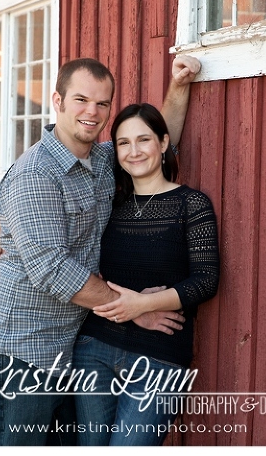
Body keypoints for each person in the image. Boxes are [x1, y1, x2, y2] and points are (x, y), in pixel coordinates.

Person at [0, 55, 202, 446]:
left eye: (102, 103)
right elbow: (52, 269)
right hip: (22, 350)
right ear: (57, 101)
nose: (91, 112)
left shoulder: (98, 159)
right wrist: (134, 309)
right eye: (80, 100)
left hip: (67, 349)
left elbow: (154, 144)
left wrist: (179, 85)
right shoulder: (36, 174)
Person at [72, 103, 220, 445]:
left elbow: (206, 280)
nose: (134, 151)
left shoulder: (191, 204)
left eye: (144, 140)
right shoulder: (109, 204)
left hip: (159, 358)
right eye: (123, 143)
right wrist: (133, 308)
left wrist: (141, 304)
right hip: (94, 348)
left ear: (164, 143)